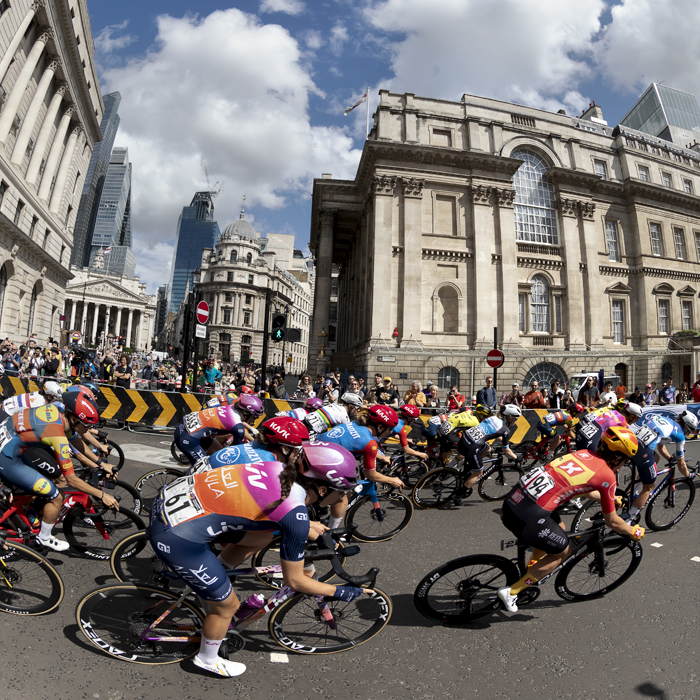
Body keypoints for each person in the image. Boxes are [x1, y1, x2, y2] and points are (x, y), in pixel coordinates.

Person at [148, 426, 364, 678]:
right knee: (227, 606)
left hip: (170, 504)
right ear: (324, 489)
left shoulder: (278, 468)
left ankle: (216, 575)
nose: (342, 498)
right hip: (176, 535)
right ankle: (207, 659)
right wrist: (340, 591)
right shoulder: (295, 512)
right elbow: (295, 581)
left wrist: (306, 524)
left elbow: (271, 507)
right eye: (343, 492)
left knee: (264, 534)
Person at [497, 426, 645, 613]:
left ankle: (533, 564)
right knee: (562, 551)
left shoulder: (583, 453)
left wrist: (611, 499)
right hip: (529, 516)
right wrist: (633, 531)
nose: (624, 464)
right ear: (618, 457)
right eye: (625, 460)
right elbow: (612, 522)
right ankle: (512, 592)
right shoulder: (607, 475)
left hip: (515, 500)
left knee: (559, 526)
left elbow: (583, 486)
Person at [0, 392, 119, 551]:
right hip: (7, 458)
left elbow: (75, 439)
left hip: (12, 446)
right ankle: (44, 538)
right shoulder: (57, 436)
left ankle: (24, 514)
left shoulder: (57, 411)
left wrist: (100, 464)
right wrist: (102, 495)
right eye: (87, 426)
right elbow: (72, 480)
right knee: (56, 495)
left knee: (40, 482)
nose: (88, 430)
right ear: (73, 419)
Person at [313, 405, 405, 531]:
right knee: (344, 495)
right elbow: (370, 475)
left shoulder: (356, 423)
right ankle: (329, 531)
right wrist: (391, 480)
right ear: (380, 427)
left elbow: (357, 444)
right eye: (389, 429)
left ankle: (319, 507)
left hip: (315, 448)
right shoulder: (370, 442)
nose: (390, 432)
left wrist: (381, 457)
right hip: (322, 461)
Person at [453, 404, 522, 501]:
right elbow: (506, 450)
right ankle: (458, 496)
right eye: (516, 418)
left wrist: (503, 441)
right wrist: (516, 457)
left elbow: (492, 432)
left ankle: (469, 469)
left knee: (488, 449)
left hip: (464, 439)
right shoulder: (506, 430)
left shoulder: (492, 418)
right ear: (509, 418)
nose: (516, 421)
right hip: (472, 446)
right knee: (478, 473)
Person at [173, 395, 265, 467]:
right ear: (247, 413)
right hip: (188, 438)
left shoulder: (230, 407)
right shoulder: (237, 427)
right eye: (255, 416)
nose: (255, 420)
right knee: (205, 471)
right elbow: (239, 452)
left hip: (189, 429)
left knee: (221, 458)